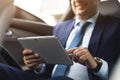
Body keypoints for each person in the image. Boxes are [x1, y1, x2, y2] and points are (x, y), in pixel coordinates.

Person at [0, 0, 120, 80]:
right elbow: (50, 68)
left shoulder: (115, 27)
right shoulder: (61, 27)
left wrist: (97, 64)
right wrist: (38, 66)